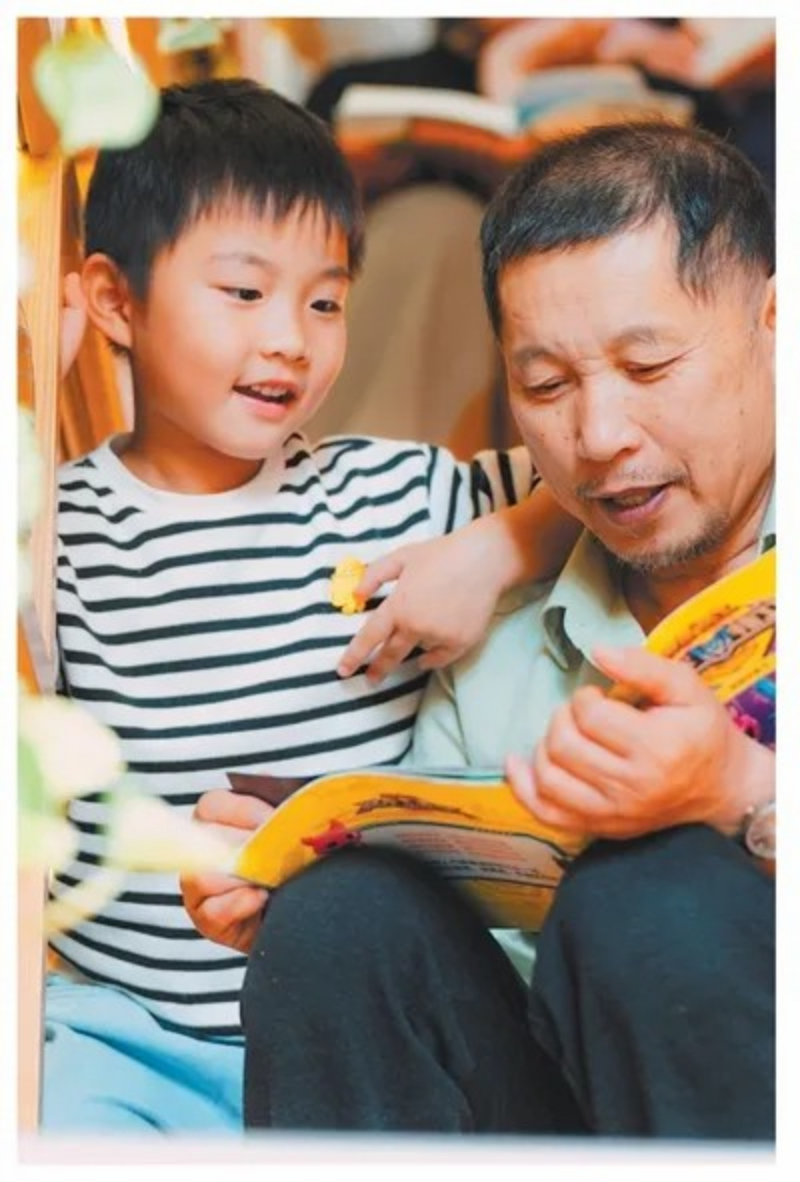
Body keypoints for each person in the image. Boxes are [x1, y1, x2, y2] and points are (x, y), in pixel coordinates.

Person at [215, 121, 775, 1138]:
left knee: (648, 897)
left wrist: (739, 792)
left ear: (774, 327)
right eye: (546, 387)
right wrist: (275, 878)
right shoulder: (496, 640)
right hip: (576, 1094)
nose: (598, 438)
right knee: (340, 915)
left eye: (648, 366)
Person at [44, 77, 581, 1132]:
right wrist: (35, 370)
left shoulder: (397, 495)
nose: (292, 338)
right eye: (244, 293)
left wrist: (491, 549)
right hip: (135, 1041)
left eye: (325, 301)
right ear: (114, 300)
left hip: (364, 1033)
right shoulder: (60, 532)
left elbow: (596, 484)